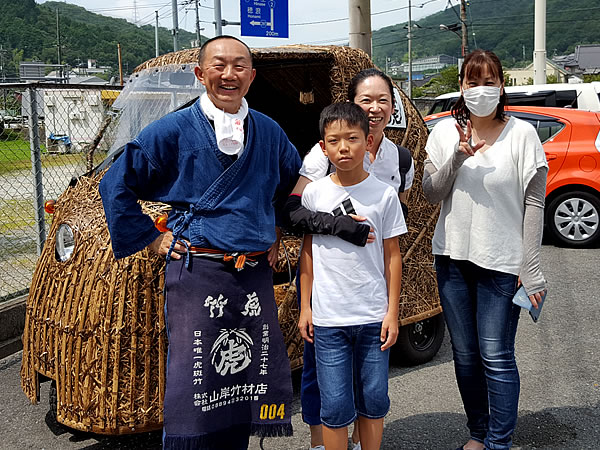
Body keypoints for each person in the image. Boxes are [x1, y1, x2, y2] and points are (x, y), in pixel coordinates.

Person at [99, 36, 301, 450]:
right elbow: (114, 183)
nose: (229, 74)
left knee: (246, 375)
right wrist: (153, 240)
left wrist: (277, 230)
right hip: (198, 271)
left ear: (252, 76)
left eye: (239, 66)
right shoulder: (172, 129)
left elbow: (290, 187)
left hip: (254, 274)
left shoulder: (269, 130)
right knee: (197, 379)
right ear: (200, 73)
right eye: (219, 65)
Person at [422, 49, 548, 450]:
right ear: (461, 86)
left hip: (501, 262)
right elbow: (430, 194)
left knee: (495, 355)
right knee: (465, 355)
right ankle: (478, 432)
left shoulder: (522, 135)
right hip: (452, 260)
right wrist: (457, 157)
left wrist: (530, 266)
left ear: (501, 86)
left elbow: (534, 203)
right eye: (472, 82)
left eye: (489, 81)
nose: (480, 89)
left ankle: (498, 441)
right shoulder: (444, 133)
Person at [284, 68, 414, 450]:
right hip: (329, 310)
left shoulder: (395, 161)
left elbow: (392, 250)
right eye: (365, 100)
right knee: (331, 394)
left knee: (373, 396)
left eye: (382, 100)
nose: (374, 108)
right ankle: (319, 442)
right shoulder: (317, 183)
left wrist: (393, 311)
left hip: (372, 309)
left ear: (393, 106)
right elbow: (298, 223)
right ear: (324, 145)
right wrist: (305, 306)